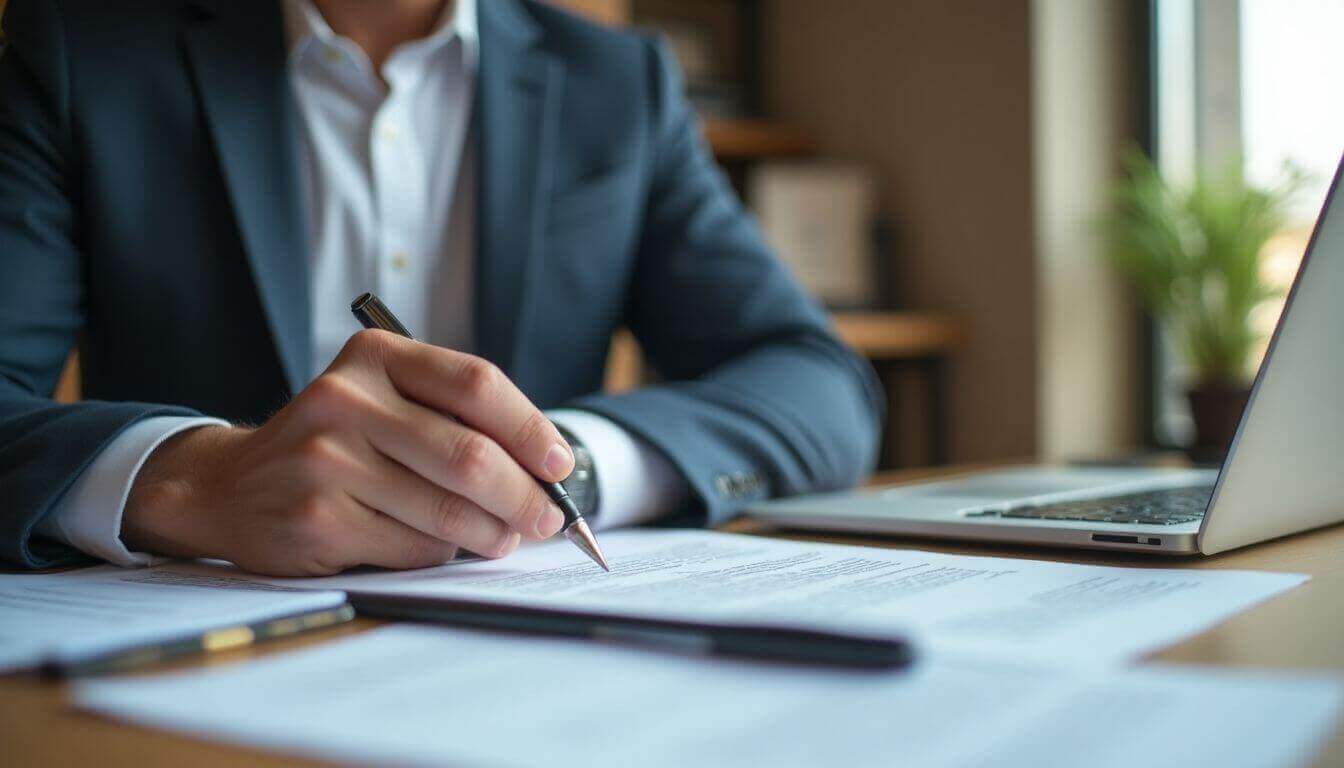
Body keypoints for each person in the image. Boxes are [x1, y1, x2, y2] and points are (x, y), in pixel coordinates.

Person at [0, 0, 881, 575]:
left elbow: (819, 385)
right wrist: (189, 483)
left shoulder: (617, 87)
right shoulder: (83, 53)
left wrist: (562, 466)